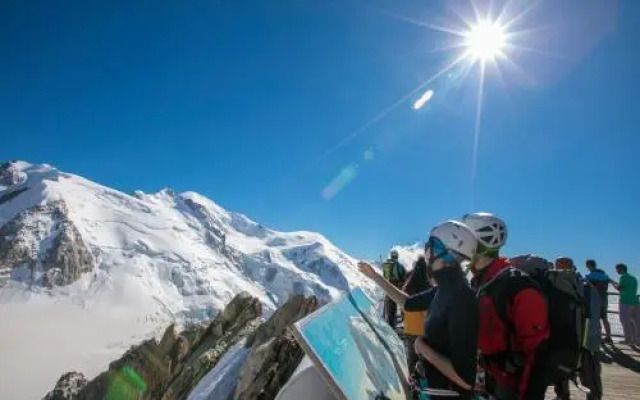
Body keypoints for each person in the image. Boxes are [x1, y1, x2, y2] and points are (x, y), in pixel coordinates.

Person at [358, 221, 479, 399]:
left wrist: (422, 347)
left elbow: (466, 380)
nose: (427, 250)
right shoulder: (443, 290)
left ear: (447, 254)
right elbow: (408, 304)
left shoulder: (461, 299)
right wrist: (375, 276)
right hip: (432, 389)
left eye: (432, 245)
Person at [463, 212, 550, 400]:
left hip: (510, 386)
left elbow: (534, 354)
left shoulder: (517, 285)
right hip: (488, 378)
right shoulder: (480, 281)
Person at [552, 257, 603, 400]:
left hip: (572, 339)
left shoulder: (556, 285)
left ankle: (564, 396)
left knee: (567, 371)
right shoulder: (587, 286)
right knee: (587, 374)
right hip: (581, 338)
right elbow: (596, 312)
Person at [402, 255, 432, 374]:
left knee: (411, 358)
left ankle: (412, 381)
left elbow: (403, 307)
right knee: (426, 361)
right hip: (424, 330)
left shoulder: (407, 286)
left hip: (410, 328)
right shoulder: (429, 287)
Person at [585, 259, 613, 342]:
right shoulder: (604, 275)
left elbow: (586, 286)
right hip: (604, 299)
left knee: (595, 319)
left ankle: (598, 337)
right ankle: (608, 337)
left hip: (594, 300)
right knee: (605, 319)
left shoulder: (589, 276)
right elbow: (612, 282)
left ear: (588, 265)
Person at [612, 263, 640, 345]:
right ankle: (637, 339)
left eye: (617, 269)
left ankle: (628, 339)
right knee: (636, 322)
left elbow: (620, 288)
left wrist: (614, 284)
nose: (616, 271)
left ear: (621, 269)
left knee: (625, 321)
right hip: (635, 301)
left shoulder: (623, 277)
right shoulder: (633, 278)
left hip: (625, 302)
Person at [381, 250, 407, 327]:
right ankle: (398, 325)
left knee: (389, 308)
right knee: (398, 306)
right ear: (397, 256)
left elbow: (385, 276)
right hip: (397, 288)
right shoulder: (399, 266)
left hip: (387, 287)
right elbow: (404, 277)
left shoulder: (386, 265)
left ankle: (388, 325)